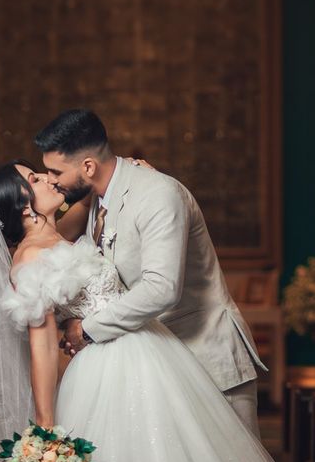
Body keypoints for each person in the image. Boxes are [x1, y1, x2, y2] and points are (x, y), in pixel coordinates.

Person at [0, 159, 315, 462]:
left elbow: (92, 194)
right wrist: (44, 427)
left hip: (152, 352)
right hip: (104, 369)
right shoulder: (29, 258)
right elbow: (41, 349)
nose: (49, 179)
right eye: (36, 178)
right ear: (24, 206)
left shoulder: (60, 231)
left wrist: (132, 174)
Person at [42, 109, 267, 437]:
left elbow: (162, 289)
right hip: (158, 373)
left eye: (55, 171)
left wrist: (87, 329)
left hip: (207, 360)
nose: (51, 180)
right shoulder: (96, 204)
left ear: (88, 166)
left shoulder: (157, 193)